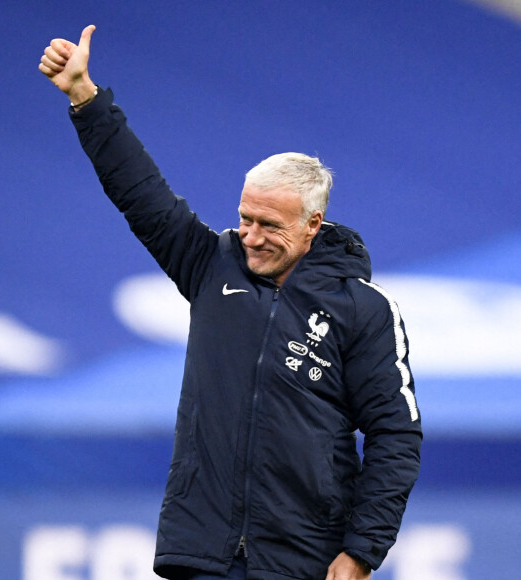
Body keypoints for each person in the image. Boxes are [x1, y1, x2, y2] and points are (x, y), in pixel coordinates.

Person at [39, 25, 422, 580]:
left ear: (313, 224)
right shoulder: (211, 263)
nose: (251, 235)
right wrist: (84, 98)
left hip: (303, 560)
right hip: (203, 551)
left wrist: (363, 550)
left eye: (269, 224)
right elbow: (141, 193)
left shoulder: (362, 308)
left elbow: (395, 434)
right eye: (245, 218)